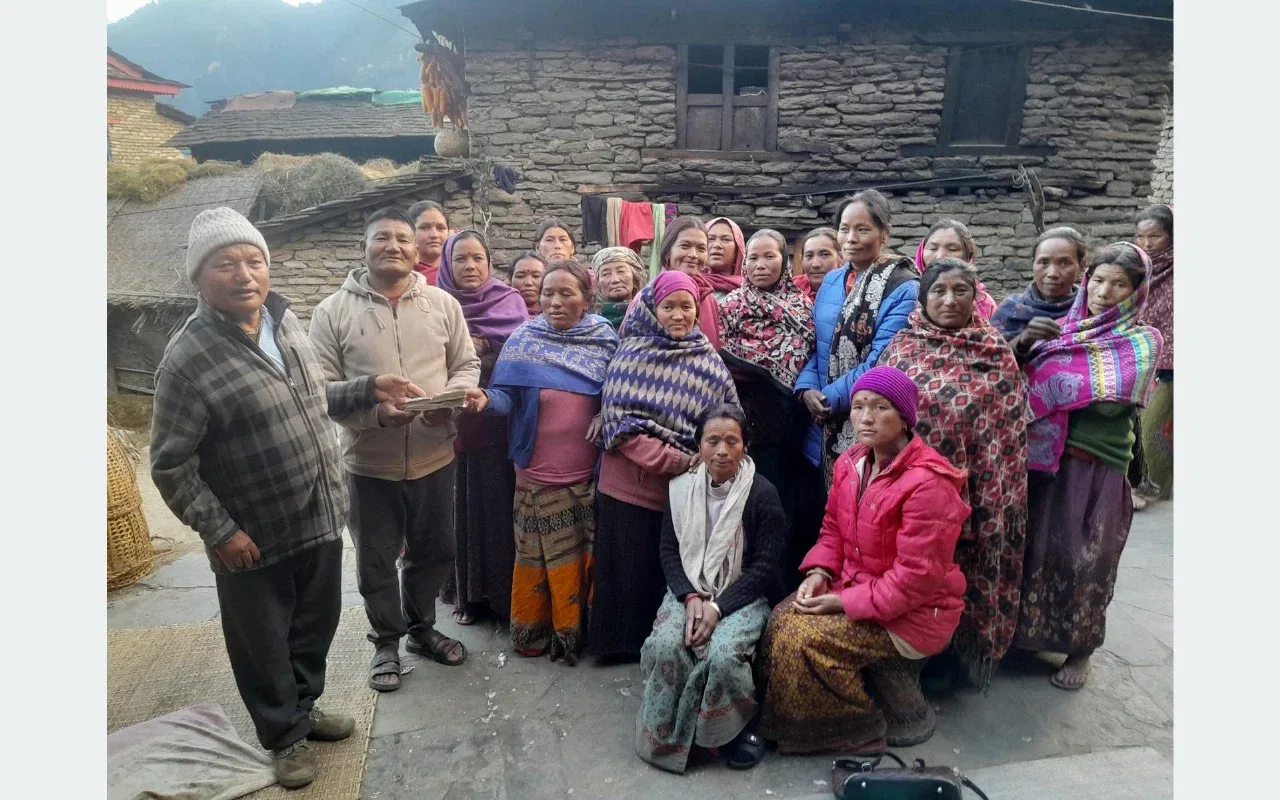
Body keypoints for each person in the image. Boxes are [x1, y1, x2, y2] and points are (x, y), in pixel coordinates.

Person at [150, 207, 423, 787]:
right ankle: (283, 735)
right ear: (199, 277)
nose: (244, 274)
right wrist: (221, 531)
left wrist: (370, 388)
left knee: (314, 626)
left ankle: (304, 708)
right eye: (225, 264)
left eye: (254, 260)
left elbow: (315, 397)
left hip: (319, 515)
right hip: (252, 534)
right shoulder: (187, 359)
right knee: (262, 641)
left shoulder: (284, 321)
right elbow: (170, 465)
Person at [309, 207, 481, 693]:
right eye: (382, 237)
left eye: (403, 238)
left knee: (436, 550)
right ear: (364, 248)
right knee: (376, 560)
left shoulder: (442, 304)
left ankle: (421, 630)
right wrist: (377, 415)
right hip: (368, 464)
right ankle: (386, 641)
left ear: (416, 248)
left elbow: (466, 364)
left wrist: (449, 402)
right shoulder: (331, 312)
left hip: (435, 456)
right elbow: (320, 391)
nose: (394, 246)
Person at [759, 367, 969, 753]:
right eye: (858, 407)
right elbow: (833, 530)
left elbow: (915, 580)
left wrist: (842, 601)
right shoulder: (851, 463)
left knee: (802, 639)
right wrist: (820, 572)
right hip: (859, 588)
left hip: (916, 612)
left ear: (905, 419)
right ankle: (783, 724)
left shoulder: (928, 484)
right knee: (779, 620)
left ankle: (857, 726)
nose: (865, 418)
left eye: (880, 407)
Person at [1015, 242, 1163, 691]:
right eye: (1098, 280)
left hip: (1097, 465)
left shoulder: (1142, 341)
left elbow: (1110, 403)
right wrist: (1026, 347)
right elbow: (1016, 379)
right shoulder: (1060, 330)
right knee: (1038, 553)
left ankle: (1081, 650)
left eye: (1119, 284)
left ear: (1137, 292)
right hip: (1045, 462)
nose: (1103, 292)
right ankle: (1030, 637)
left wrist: (1054, 374)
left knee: (1087, 560)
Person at [878, 258, 1029, 693]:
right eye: (938, 291)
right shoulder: (902, 347)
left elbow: (1007, 437)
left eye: (960, 291)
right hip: (912, 494)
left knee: (963, 575)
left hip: (979, 493)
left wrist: (990, 500)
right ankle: (908, 659)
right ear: (923, 297)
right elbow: (879, 417)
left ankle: (959, 660)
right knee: (915, 568)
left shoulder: (994, 352)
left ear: (975, 297)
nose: (949, 300)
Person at [463, 260, 618, 664]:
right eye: (549, 293)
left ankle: (573, 634)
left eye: (567, 293)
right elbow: (505, 397)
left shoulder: (604, 339)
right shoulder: (524, 339)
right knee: (535, 559)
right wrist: (485, 398)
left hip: (584, 477)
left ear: (587, 298)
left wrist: (607, 414)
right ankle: (534, 633)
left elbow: (620, 392)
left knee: (579, 561)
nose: (555, 301)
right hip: (534, 475)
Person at [591, 271, 739, 660]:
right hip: (630, 485)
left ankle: (660, 651)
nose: (677, 315)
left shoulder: (707, 358)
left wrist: (705, 460)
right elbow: (620, 425)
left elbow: (727, 417)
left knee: (665, 570)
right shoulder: (631, 353)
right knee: (626, 570)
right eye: (668, 306)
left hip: (684, 490)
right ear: (651, 310)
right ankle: (618, 649)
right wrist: (677, 460)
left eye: (686, 306)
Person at [636, 404, 786, 774]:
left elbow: (764, 567)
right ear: (699, 445)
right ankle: (669, 732)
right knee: (666, 644)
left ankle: (735, 729)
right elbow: (669, 551)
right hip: (688, 589)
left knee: (722, 655)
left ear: (745, 446)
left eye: (731, 441)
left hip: (742, 595)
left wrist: (717, 608)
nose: (722, 451)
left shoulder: (762, 494)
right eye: (712, 441)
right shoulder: (680, 489)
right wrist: (689, 597)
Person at [437, 230, 531, 625]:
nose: (470, 266)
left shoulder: (509, 301)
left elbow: (523, 353)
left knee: (499, 510)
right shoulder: (436, 304)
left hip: (501, 426)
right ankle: (467, 594)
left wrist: (485, 346)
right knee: (462, 510)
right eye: (460, 259)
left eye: (478, 258)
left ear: (490, 263)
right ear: (447, 264)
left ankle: (503, 596)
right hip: (452, 428)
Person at [795, 189, 919, 483]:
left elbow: (881, 359)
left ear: (884, 234)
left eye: (862, 229)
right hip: (818, 419)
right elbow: (816, 343)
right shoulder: (832, 280)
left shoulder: (902, 287)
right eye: (844, 229)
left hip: (864, 417)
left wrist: (828, 399)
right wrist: (806, 388)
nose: (851, 238)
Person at [717, 229, 815, 548]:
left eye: (769, 256)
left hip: (789, 419)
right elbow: (720, 351)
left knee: (783, 497)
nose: (760, 265)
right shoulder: (730, 306)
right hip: (745, 419)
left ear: (784, 262)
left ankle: (779, 566)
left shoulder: (802, 306)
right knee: (746, 495)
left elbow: (806, 350)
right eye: (753, 258)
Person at [990, 226, 1087, 362]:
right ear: (1033, 264)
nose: (1052, 273)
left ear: (1081, 266)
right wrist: (1024, 339)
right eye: (1043, 262)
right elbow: (990, 360)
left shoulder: (1091, 310)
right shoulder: (1010, 309)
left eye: (1064, 263)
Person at [1134, 204, 1173, 501]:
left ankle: (1158, 490)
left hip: (1173, 368)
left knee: (1152, 429)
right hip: (1144, 360)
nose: (1146, 244)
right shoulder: (1136, 271)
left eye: (1155, 236)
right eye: (1140, 237)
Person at [653, 216, 723, 348]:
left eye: (701, 249)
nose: (693, 255)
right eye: (685, 246)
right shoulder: (651, 295)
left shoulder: (708, 298)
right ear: (667, 252)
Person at [913, 219, 997, 319]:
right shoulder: (907, 295)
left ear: (968, 255)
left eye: (953, 249)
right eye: (933, 249)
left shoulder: (984, 303)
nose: (940, 256)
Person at [591, 246, 649, 329]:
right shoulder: (588, 321)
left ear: (635, 279)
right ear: (598, 283)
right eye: (606, 274)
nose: (615, 280)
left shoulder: (650, 316)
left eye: (621, 271)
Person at [793, 227, 840, 302]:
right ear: (801, 259)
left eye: (825, 254)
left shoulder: (852, 291)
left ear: (841, 257)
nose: (815, 264)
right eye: (809, 256)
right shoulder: (791, 288)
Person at [407, 200, 449, 285]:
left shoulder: (457, 273)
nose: (434, 235)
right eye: (425, 227)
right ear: (408, 232)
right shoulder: (401, 276)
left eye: (440, 228)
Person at [703, 216, 746, 299]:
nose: (717, 245)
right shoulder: (689, 284)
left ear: (738, 250)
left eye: (725, 239)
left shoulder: (749, 292)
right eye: (711, 239)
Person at [509, 250, 548, 317]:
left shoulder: (557, 316)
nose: (528, 282)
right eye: (520, 276)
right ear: (510, 280)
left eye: (536, 276)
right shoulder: (498, 312)